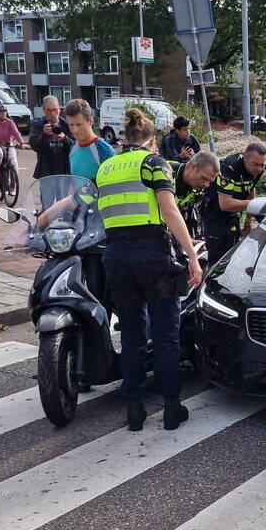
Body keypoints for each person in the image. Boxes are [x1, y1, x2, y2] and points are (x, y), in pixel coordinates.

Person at [96, 108, 202, 432]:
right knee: (165, 333)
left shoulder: (106, 167)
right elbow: (169, 210)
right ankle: (172, 408)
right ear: (153, 139)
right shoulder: (154, 163)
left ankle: (135, 409)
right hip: (151, 254)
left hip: (116, 257)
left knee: (131, 335)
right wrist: (192, 258)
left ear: (126, 138)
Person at [202, 142, 266, 267]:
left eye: (262, 165)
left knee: (231, 253)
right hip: (214, 214)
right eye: (255, 164)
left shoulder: (257, 168)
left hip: (234, 212)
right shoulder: (229, 168)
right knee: (217, 258)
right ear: (245, 157)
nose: (259, 169)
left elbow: (250, 189)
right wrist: (255, 204)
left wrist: (249, 219)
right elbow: (225, 204)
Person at [168, 151, 221, 237]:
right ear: (193, 167)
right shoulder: (165, 174)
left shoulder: (192, 184)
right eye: (204, 178)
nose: (206, 185)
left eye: (210, 181)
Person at [64, 98, 116, 182]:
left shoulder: (104, 150)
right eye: (71, 125)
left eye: (79, 124)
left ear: (90, 121)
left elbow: (114, 184)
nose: (75, 130)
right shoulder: (73, 147)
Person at [29, 95, 73, 179]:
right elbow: (34, 146)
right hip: (46, 172)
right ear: (43, 110)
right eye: (48, 110)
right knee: (46, 192)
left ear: (59, 109)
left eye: (55, 110)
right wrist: (44, 134)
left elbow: (75, 146)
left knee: (63, 192)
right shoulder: (38, 125)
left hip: (64, 172)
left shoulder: (68, 125)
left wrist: (64, 139)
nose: (52, 113)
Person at [0, 103, 24, 182]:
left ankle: (13, 186)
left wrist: (22, 143)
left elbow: (16, 133)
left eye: (5, 112)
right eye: (1, 112)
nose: (3, 113)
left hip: (8, 144)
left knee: (14, 164)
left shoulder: (10, 122)